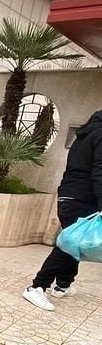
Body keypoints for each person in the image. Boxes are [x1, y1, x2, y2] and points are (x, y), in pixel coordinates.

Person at [23, 110, 102, 311]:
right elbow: (100, 172)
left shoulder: (88, 133)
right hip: (81, 198)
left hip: (70, 195)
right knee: (69, 243)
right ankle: (37, 286)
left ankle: (63, 285)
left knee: (75, 241)